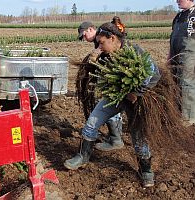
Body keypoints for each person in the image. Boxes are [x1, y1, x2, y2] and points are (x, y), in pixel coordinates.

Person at [64, 19, 161, 187]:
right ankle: (82, 156)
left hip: (135, 101)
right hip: (115, 97)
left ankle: (146, 171)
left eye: (101, 43)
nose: (99, 46)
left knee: (138, 138)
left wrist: (135, 92)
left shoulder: (134, 51)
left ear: (113, 39)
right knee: (92, 122)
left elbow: (154, 74)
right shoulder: (106, 53)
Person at [77, 18, 125, 152]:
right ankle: (114, 137)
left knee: (109, 104)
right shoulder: (100, 41)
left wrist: (93, 57)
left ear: (91, 29)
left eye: (85, 35)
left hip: (114, 80)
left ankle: (116, 139)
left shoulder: (102, 40)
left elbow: (98, 58)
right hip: (109, 78)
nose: (84, 38)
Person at [168, 0, 195, 124]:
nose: (177, 1)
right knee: (175, 83)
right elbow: (173, 36)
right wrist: (169, 56)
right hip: (175, 53)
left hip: (189, 53)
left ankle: (189, 118)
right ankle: (178, 114)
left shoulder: (194, 16)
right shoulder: (178, 16)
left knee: (187, 83)